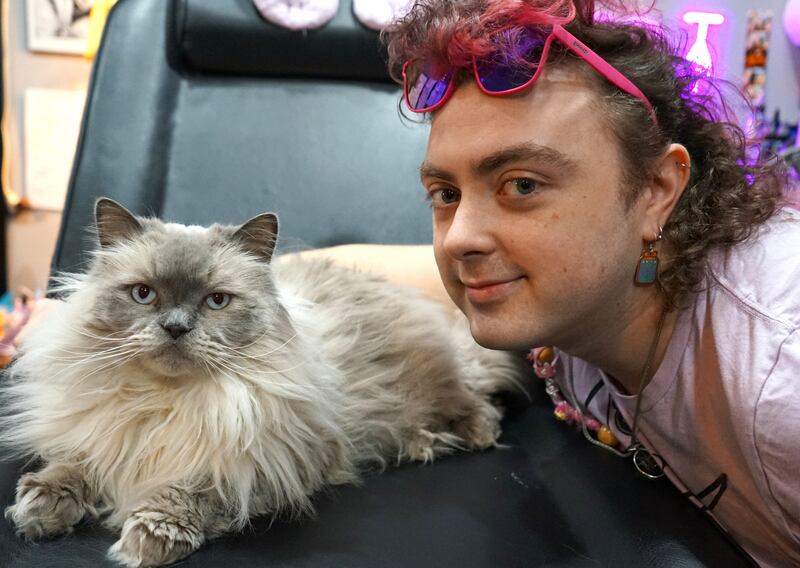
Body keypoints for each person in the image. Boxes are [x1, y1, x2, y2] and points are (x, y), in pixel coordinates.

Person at [294, 0, 799, 565]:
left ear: (656, 189)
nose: (459, 239)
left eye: (522, 185)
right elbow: (363, 270)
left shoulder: (778, 376)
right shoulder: (568, 281)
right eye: (446, 194)